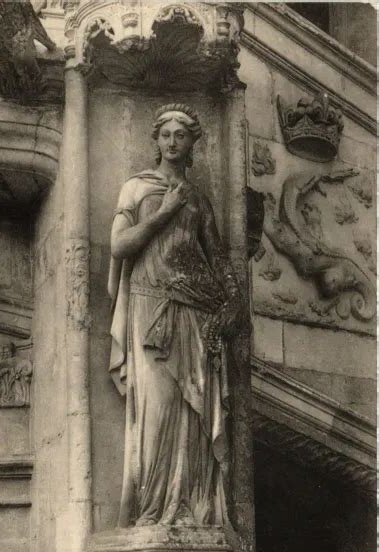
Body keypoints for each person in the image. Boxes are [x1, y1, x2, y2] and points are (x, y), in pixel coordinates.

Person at [108, 103, 243, 528]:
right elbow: (119, 246)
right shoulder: (137, 187)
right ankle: (152, 511)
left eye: (180, 136)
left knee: (194, 415)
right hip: (151, 307)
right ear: (156, 140)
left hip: (195, 311)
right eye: (165, 134)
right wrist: (165, 211)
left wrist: (233, 298)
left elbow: (217, 256)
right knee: (158, 409)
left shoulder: (199, 200)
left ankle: (192, 508)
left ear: (191, 144)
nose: (171, 142)